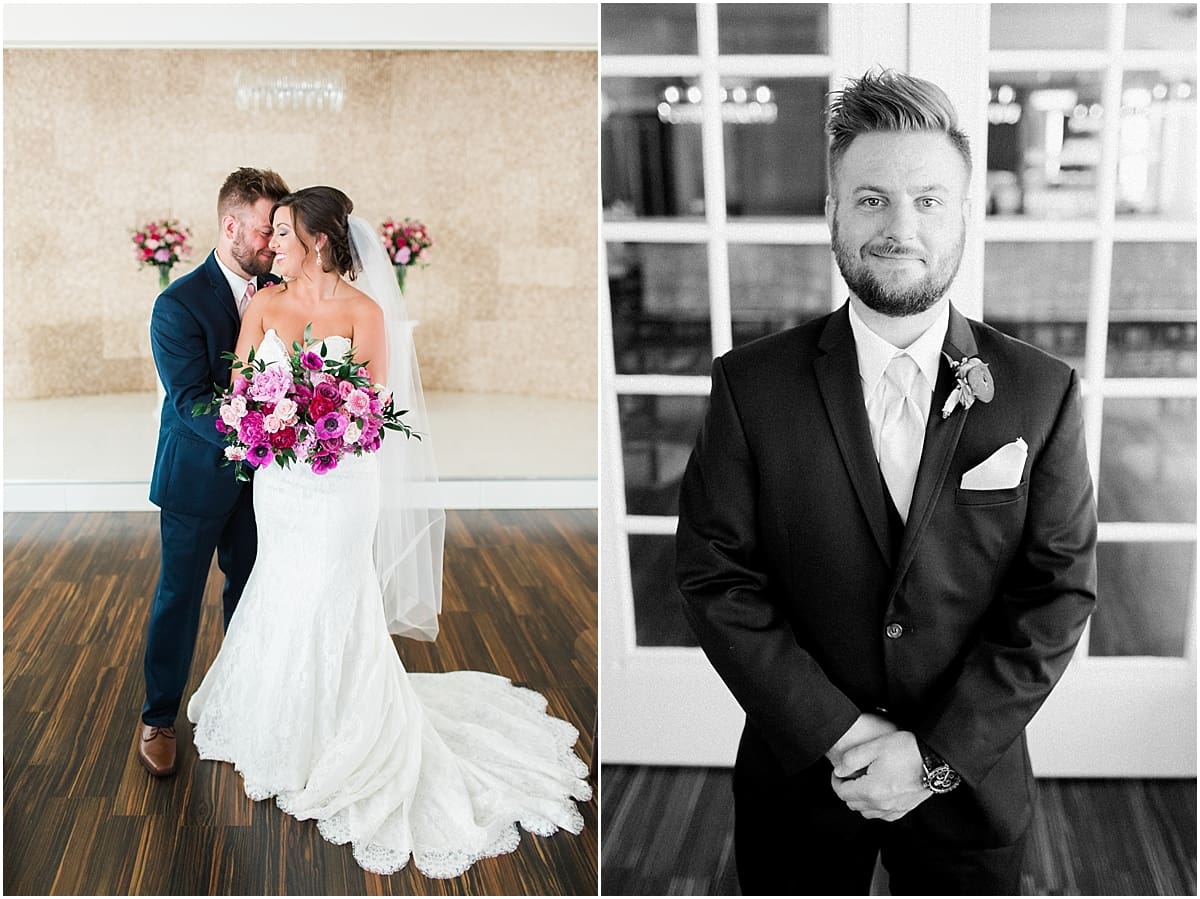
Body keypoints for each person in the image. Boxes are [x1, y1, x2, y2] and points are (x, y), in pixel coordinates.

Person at [674, 70, 1097, 895]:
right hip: (801, 778)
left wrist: (934, 756)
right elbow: (714, 576)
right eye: (871, 199)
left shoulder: (1043, 393)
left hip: (970, 787)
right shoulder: (749, 388)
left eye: (928, 201)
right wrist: (838, 732)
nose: (900, 228)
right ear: (832, 212)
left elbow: (1057, 593)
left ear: (965, 217)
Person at [185, 186, 591, 878]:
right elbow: (244, 386)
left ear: (316, 239)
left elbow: (370, 409)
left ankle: (344, 726)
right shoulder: (263, 304)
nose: (270, 244)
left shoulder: (365, 313)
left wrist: (316, 423)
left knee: (331, 591)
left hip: (341, 484)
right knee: (283, 587)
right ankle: (280, 719)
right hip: (282, 484)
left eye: (282, 233)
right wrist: (268, 418)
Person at [140, 167, 291, 778]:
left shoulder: (284, 289)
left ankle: (238, 705)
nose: (273, 244)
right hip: (196, 478)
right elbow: (189, 400)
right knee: (179, 598)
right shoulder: (176, 304)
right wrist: (263, 434)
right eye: (264, 231)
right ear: (230, 226)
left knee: (250, 594)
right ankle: (157, 717)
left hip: (266, 483)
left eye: (278, 233)